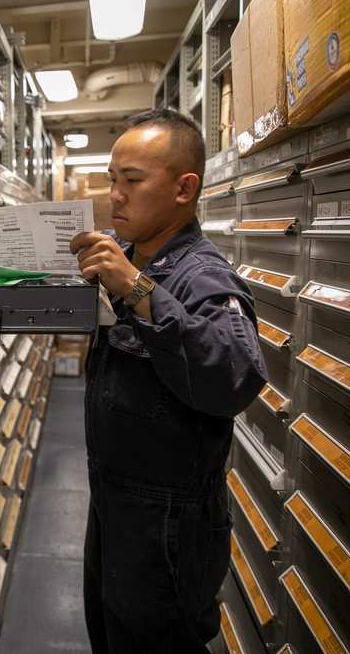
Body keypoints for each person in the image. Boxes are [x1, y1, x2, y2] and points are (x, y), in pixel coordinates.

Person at [67, 108, 267, 652]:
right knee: (112, 638)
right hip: (113, 501)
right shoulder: (129, 256)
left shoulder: (204, 276)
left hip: (168, 521)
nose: (115, 195)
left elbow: (236, 377)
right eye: (113, 179)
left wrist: (136, 289)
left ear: (185, 189)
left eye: (133, 180)